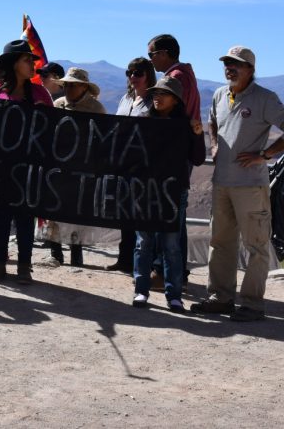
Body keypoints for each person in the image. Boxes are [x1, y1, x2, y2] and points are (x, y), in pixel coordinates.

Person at [192, 46, 284, 322]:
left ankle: (253, 304)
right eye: (227, 63)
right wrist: (215, 145)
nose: (230, 67)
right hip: (222, 182)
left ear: (251, 69)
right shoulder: (220, 94)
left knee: (255, 244)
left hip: (250, 185)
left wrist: (265, 155)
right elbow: (212, 121)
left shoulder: (265, 99)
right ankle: (221, 298)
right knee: (220, 242)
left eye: (237, 64)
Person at [0, 39, 53, 284]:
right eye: (27, 60)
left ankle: (24, 266)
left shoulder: (40, 94)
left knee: (24, 217)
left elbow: (54, 130)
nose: (33, 64)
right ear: (13, 64)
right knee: (0, 217)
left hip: (29, 168)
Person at [132, 75, 204, 312]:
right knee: (144, 243)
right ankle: (141, 291)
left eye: (162, 94)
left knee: (171, 245)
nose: (157, 98)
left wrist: (197, 134)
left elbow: (198, 158)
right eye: (155, 94)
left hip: (174, 192)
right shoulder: (143, 122)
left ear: (175, 100)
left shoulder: (185, 126)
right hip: (146, 191)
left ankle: (174, 295)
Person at [46, 67, 106, 267]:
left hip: (83, 169)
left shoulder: (96, 109)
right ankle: (55, 252)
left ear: (84, 87)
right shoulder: (57, 105)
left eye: (74, 85)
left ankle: (76, 254)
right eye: (67, 85)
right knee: (54, 208)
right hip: (59, 167)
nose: (70, 89)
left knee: (78, 210)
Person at [107, 57, 155, 273]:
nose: (133, 77)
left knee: (141, 217)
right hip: (122, 164)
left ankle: (143, 263)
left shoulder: (153, 101)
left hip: (143, 167)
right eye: (130, 73)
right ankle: (124, 259)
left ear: (148, 76)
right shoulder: (126, 99)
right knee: (123, 213)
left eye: (138, 73)